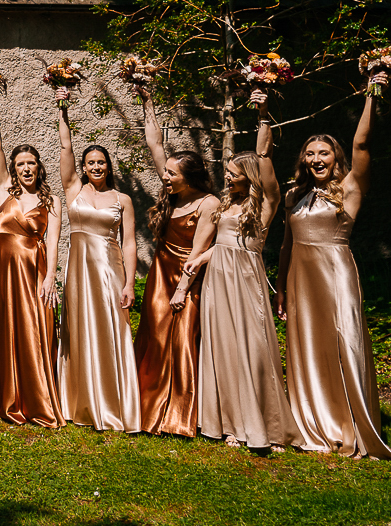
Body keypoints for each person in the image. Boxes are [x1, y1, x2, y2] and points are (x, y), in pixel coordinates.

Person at [276, 84, 391, 461]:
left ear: (335, 157)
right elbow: (285, 246)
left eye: (324, 152)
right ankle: (315, 421)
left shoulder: (348, 187)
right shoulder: (293, 195)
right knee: (309, 349)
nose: (317, 159)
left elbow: (362, 145)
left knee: (345, 344)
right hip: (300, 279)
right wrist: (280, 288)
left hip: (336, 274)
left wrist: (372, 94)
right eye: (310, 153)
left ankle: (352, 423)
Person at [187, 90, 298, 450]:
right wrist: (200, 259)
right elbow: (220, 246)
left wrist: (263, 115)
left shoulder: (264, 205)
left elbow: (265, 161)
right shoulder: (223, 205)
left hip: (246, 281)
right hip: (218, 281)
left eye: (234, 174)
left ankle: (266, 423)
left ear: (249, 177)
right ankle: (230, 423)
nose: (228, 178)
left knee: (255, 348)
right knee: (223, 348)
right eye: (228, 172)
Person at [137, 90, 221, 437]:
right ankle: (144, 404)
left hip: (191, 276)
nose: (165, 177)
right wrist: (147, 102)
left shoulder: (209, 203)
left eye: (172, 173)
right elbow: (155, 144)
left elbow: (199, 254)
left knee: (184, 339)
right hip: (161, 271)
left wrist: (182, 291)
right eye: (166, 172)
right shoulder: (172, 192)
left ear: (189, 176)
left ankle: (180, 415)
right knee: (154, 335)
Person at [55, 99, 141, 432]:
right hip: (78, 274)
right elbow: (65, 146)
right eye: (90, 162)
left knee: (110, 332)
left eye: (101, 162)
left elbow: (130, 242)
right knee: (78, 331)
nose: (96, 167)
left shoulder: (123, 200)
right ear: (84, 166)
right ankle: (79, 402)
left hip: (109, 272)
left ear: (109, 166)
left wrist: (130, 283)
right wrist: (62, 111)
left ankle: (115, 403)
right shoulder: (73, 190)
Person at [0, 91, 64, 427]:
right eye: (20, 164)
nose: (26, 168)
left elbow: (54, 241)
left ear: (38, 167)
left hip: (34, 269)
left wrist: (50, 277)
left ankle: (37, 398)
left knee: (35, 328)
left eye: (31, 163)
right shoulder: (5, 191)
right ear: (14, 169)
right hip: (1, 269)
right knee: (4, 328)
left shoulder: (52, 200)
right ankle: (5, 397)